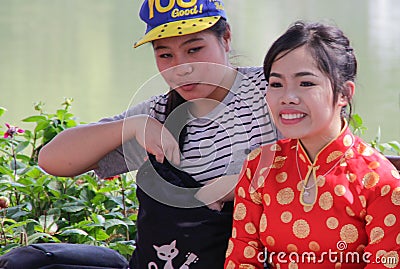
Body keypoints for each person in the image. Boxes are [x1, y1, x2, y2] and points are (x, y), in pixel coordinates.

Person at [38, 0, 278, 268]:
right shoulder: (160, 114)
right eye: (166, 55)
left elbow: (326, 164)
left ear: (226, 38)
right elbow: (52, 160)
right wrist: (133, 126)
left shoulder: (274, 90)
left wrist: (236, 186)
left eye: (194, 49)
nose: (181, 67)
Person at [225, 21, 400, 269]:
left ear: (344, 94)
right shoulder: (260, 165)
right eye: (276, 84)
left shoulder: (380, 182)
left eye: (306, 83)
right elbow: (242, 259)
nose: (287, 97)